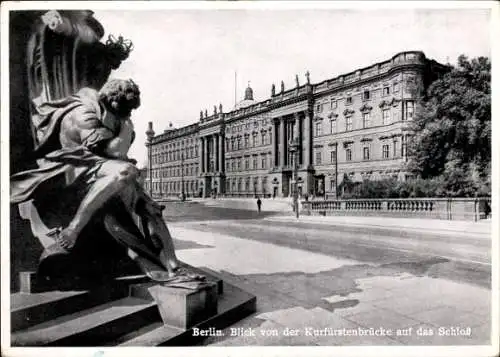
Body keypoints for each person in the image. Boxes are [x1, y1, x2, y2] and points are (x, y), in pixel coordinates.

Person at [11, 79, 198, 282]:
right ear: (114, 103)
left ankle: (173, 266)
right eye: (125, 110)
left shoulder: (107, 112)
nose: (127, 115)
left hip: (99, 170)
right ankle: (73, 229)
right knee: (125, 171)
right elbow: (116, 151)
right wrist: (126, 125)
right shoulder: (84, 113)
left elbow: (112, 155)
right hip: (72, 172)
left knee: (149, 206)